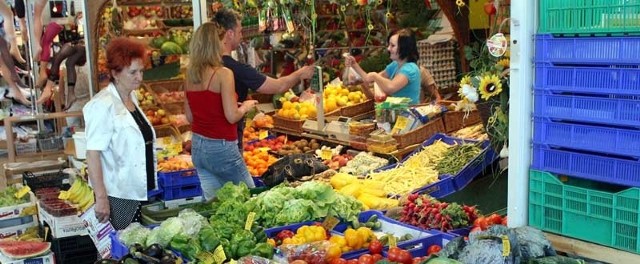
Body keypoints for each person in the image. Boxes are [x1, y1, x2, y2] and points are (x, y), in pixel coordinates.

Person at [213, 8, 316, 149]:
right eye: (240, 32)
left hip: (207, 141)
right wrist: (300, 74)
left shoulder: (205, 66)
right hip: (229, 141)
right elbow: (278, 86)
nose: (242, 36)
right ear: (229, 34)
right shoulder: (237, 69)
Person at [83, 37, 156, 230]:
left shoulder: (132, 98)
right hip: (120, 196)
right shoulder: (102, 105)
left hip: (142, 190)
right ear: (115, 73)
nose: (139, 78)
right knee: (121, 253)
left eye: (141, 71)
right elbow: (92, 154)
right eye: (133, 72)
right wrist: (101, 198)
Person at [184, 22, 257, 200]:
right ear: (214, 44)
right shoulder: (223, 73)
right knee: (250, 198)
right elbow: (232, 116)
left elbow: (190, 116)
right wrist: (245, 107)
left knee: (215, 205)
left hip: (199, 147)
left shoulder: (190, 74)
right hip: (221, 148)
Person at [345, 28, 422, 105]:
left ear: (404, 48)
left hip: (408, 114)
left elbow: (391, 87)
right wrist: (354, 65)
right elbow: (369, 79)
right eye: (389, 45)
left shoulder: (410, 68)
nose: (388, 49)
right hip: (396, 113)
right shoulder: (395, 65)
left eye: (392, 46)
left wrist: (374, 76)